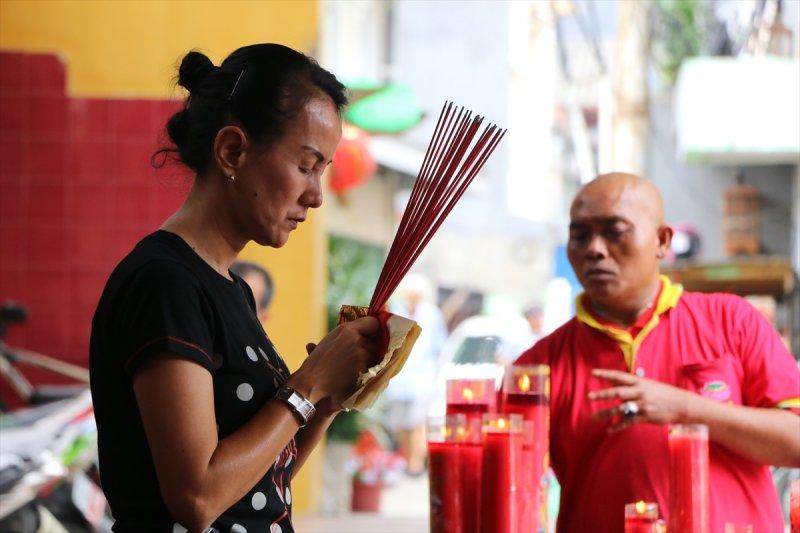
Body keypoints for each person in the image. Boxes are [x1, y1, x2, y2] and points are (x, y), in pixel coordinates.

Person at [89, 44, 380, 532]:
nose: (316, 195)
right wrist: (306, 385)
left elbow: (263, 484)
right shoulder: (166, 283)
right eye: (306, 165)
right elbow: (199, 497)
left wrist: (327, 399)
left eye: (323, 171)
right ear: (232, 151)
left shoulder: (232, 288)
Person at [516, 172, 800, 532]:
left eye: (614, 231)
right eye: (580, 235)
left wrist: (685, 408)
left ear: (662, 241)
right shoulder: (541, 364)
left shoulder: (732, 320)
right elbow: (502, 477)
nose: (594, 249)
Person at [384, 273, 448, 475]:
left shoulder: (432, 314)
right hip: (399, 377)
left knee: (418, 423)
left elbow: (439, 346)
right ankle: (409, 459)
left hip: (422, 378)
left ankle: (416, 465)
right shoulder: (397, 311)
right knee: (400, 424)